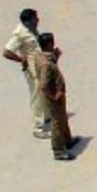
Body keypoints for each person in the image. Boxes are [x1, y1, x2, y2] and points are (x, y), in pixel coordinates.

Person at [2, 8, 52, 138]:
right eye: (35, 18)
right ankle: (38, 128)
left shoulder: (32, 29)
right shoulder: (19, 34)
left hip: (40, 65)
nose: (38, 20)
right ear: (28, 21)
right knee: (36, 96)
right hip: (32, 70)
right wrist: (21, 60)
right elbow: (6, 52)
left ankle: (45, 117)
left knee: (44, 92)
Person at [36, 32, 78, 161]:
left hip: (56, 94)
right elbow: (44, 85)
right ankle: (58, 151)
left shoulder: (41, 56)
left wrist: (56, 57)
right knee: (57, 123)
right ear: (49, 44)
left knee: (62, 118)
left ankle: (67, 141)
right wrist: (54, 96)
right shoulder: (46, 64)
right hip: (54, 97)